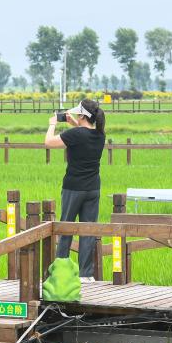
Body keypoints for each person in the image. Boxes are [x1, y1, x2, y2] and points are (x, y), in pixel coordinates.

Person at [44, 98, 106, 281]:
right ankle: (86, 275)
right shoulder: (100, 135)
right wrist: (74, 123)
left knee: (66, 228)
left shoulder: (76, 134)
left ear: (82, 116)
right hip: (93, 188)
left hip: (74, 187)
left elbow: (48, 142)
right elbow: (83, 135)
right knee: (88, 230)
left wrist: (52, 124)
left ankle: (60, 270)